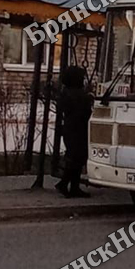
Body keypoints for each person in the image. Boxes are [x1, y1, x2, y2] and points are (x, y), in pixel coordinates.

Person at [56, 63, 94, 198]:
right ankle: (65, 184)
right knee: (77, 158)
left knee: (75, 157)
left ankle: (72, 187)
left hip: (70, 129)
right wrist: (89, 98)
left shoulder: (65, 92)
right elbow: (84, 111)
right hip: (77, 129)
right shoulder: (76, 94)